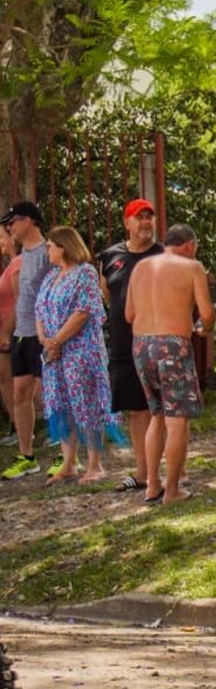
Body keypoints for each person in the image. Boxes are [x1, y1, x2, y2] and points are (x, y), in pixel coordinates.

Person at [125, 224, 215, 505]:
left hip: (141, 344)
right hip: (172, 344)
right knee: (177, 420)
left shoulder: (140, 267)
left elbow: (129, 314)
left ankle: (152, 485)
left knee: (157, 416)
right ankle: (173, 490)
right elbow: (208, 314)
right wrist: (203, 328)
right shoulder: (192, 267)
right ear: (189, 245)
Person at [35, 226, 118, 484]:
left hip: (81, 352)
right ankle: (69, 464)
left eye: (50, 245)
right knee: (61, 405)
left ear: (63, 246)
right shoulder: (51, 276)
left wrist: (57, 340)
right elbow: (39, 309)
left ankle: (95, 464)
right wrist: (45, 340)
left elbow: (84, 311)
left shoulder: (85, 273)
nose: (47, 249)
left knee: (87, 403)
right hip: (54, 355)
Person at [99, 198, 165, 491]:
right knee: (136, 411)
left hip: (158, 341)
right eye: (139, 217)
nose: (145, 223)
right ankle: (142, 473)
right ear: (127, 222)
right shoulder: (110, 255)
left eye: (149, 217)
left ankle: (172, 471)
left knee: (161, 410)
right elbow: (106, 293)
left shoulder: (164, 254)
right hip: (124, 345)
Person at [1, 201, 51, 480]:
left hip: (43, 335)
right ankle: (27, 455)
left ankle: (65, 455)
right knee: (20, 394)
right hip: (22, 333)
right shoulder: (20, 258)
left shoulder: (48, 251)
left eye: (14, 221)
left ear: (29, 221)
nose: (10, 227)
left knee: (51, 394)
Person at [0, 221, 20, 443]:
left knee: (22, 381)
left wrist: (6, 331)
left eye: (1, 237)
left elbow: (19, 300)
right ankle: (16, 426)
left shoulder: (17, 264)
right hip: (6, 330)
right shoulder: (9, 264)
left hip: (11, 330)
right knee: (5, 379)